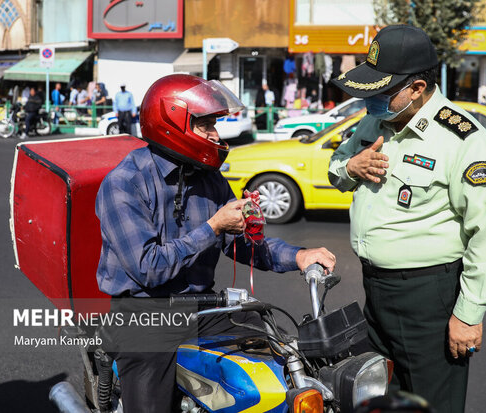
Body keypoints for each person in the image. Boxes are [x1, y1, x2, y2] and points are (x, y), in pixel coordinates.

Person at [96, 73, 336, 413]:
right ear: (172, 124)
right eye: (205, 126)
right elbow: (148, 268)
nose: (215, 135)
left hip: (204, 307)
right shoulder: (125, 183)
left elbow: (242, 242)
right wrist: (212, 227)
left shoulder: (208, 178)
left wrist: (298, 256)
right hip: (145, 314)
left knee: (278, 359)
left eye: (214, 125)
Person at [328, 25, 486, 413]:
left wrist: (468, 315)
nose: (372, 101)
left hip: (428, 296)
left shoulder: (465, 140)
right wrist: (352, 166)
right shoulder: (375, 122)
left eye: (382, 92)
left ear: (416, 88)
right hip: (376, 291)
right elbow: (335, 169)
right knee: (382, 398)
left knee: (431, 403)